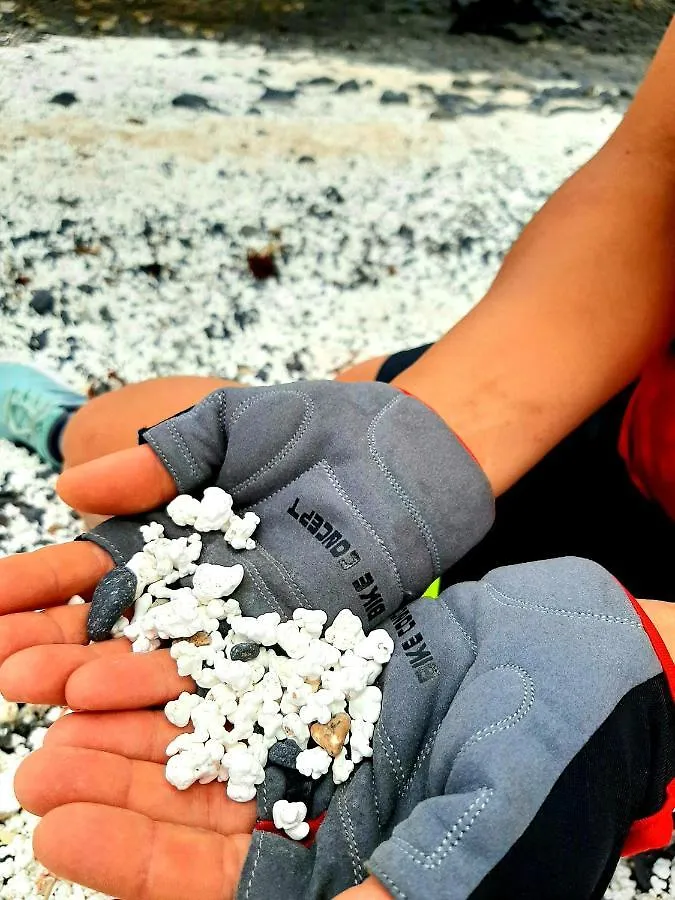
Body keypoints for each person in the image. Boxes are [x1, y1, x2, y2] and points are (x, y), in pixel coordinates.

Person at [2, 14, 675, 900]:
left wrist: (651, 670)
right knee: (165, 437)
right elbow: (653, 173)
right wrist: (437, 437)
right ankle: (60, 425)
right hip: (628, 422)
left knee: (535, 764)